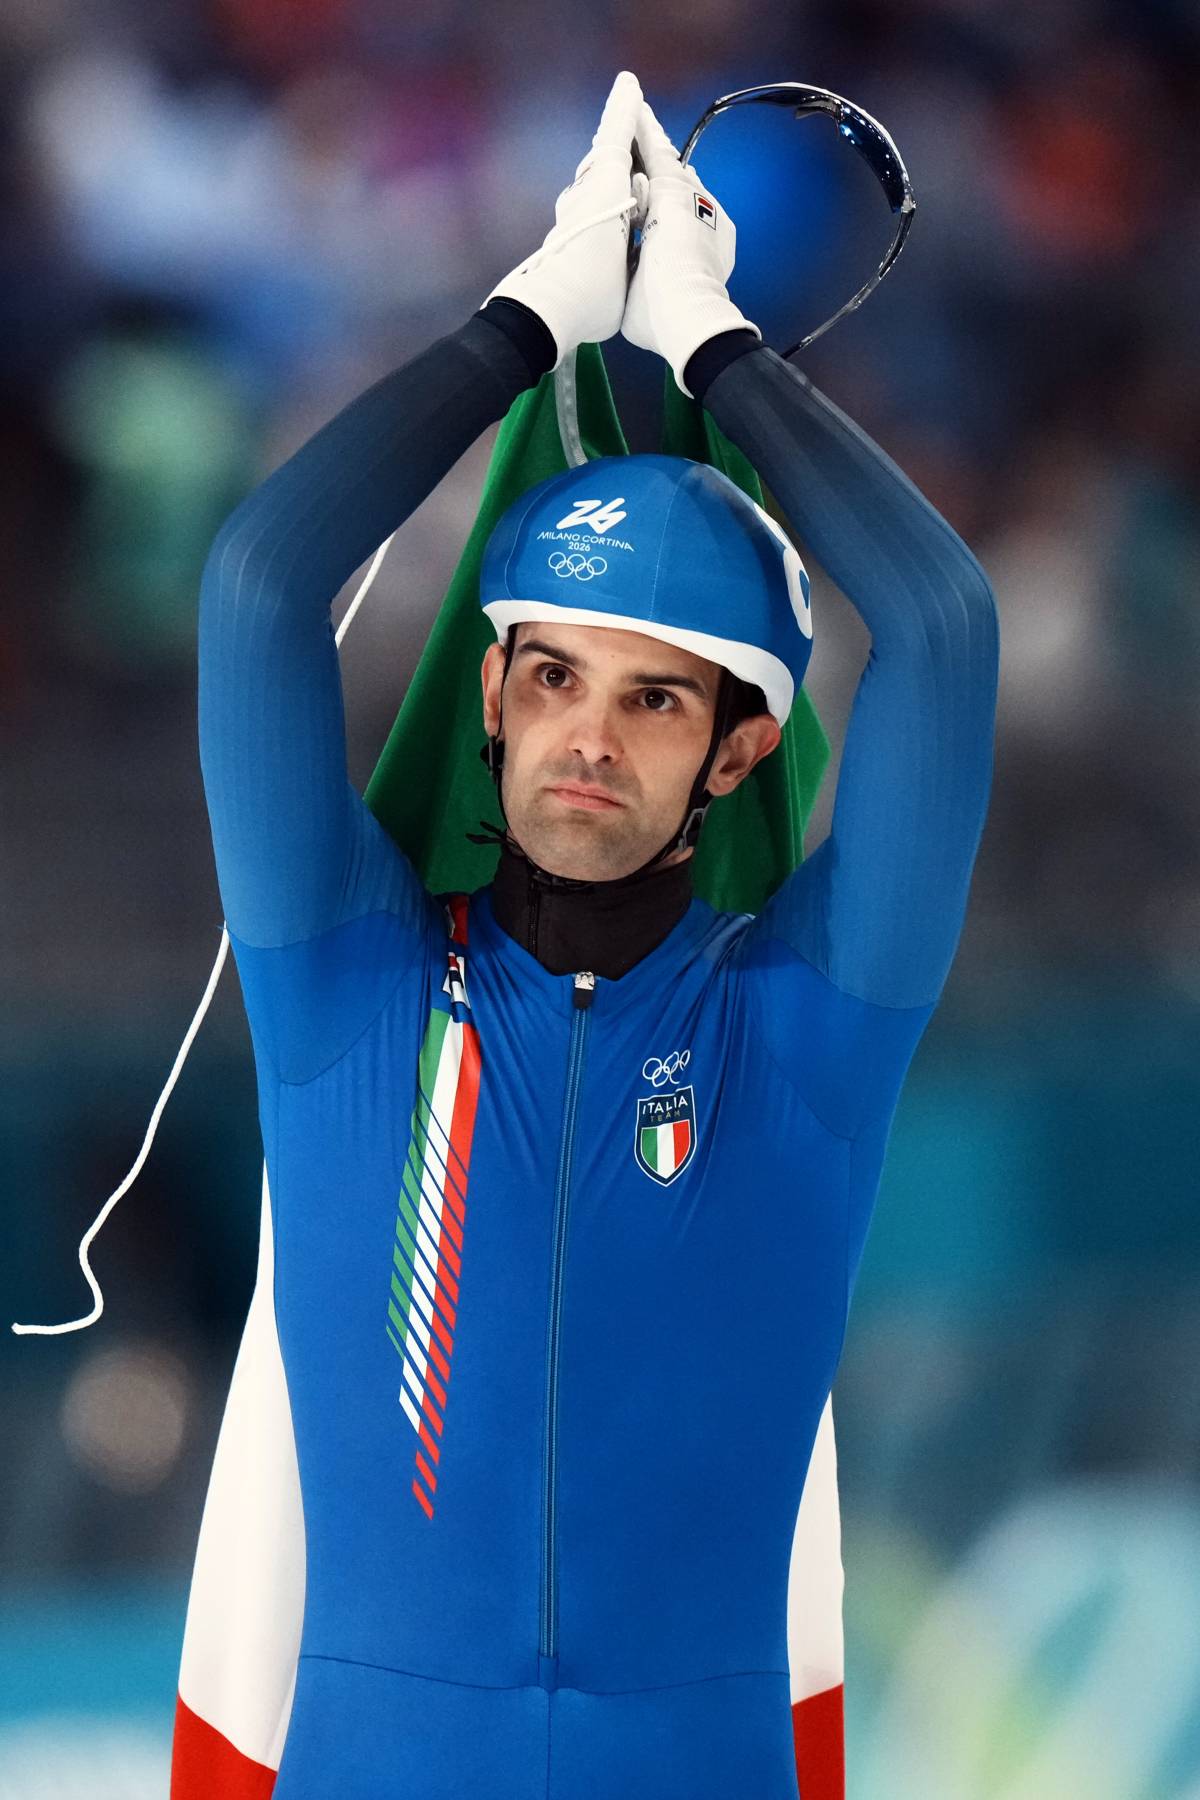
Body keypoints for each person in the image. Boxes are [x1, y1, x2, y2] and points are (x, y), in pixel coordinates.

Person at [183, 69, 998, 1800]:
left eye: (654, 697)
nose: (588, 738)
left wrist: (716, 348)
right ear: (491, 695)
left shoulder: (806, 1028)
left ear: (740, 752)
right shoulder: (349, 987)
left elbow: (940, 625)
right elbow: (258, 586)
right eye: (551, 675)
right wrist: (519, 324)